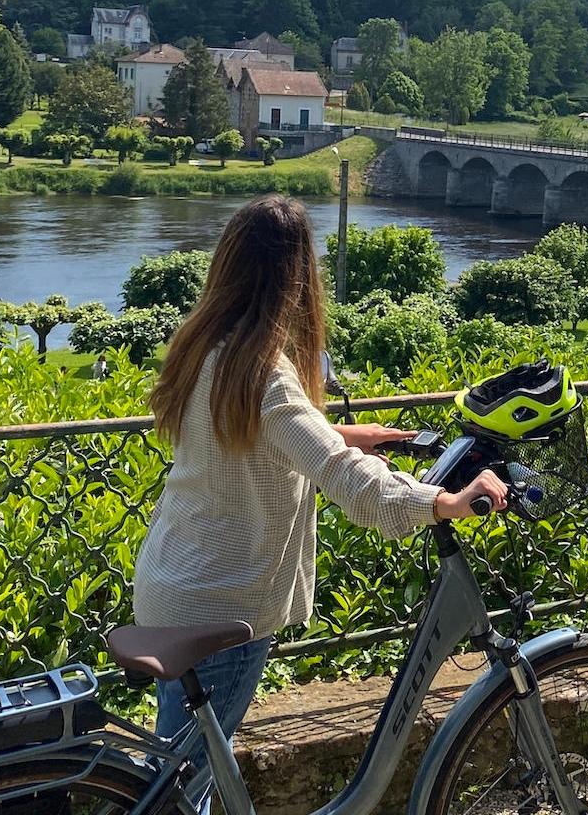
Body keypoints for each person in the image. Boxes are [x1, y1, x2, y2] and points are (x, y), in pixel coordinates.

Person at [132, 195, 508, 748]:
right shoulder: (264, 373)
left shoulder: (202, 346)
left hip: (173, 582)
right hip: (222, 604)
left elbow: (242, 442)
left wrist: (339, 433)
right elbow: (344, 477)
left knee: (186, 771)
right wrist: (443, 502)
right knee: (189, 785)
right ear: (296, 277)